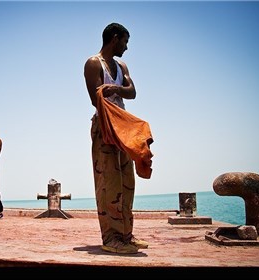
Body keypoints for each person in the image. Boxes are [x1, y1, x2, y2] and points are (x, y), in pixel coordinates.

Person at [84, 23, 149, 254]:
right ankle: (110, 238)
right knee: (108, 184)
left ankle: (126, 236)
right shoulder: (94, 63)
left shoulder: (121, 65)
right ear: (114, 38)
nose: (126, 47)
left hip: (123, 128)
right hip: (105, 126)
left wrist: (116, 90)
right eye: (125, 41)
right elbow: (96, 99)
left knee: (126, 184)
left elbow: (132, 91)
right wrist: (115, 90)